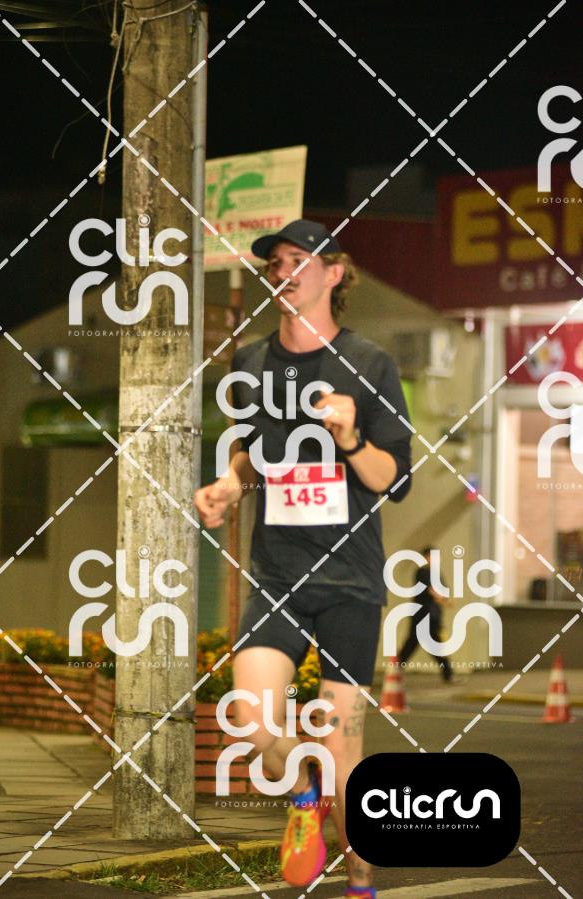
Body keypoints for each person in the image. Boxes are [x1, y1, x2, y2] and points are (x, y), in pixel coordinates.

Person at [194, 219, 413, 898]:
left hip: (349, 580)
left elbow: (394, 479)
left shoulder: (370, 362)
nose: (283, 272)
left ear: (333, 273)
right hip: (277, 575)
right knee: (252, 721)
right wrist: (228, 485)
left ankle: (360, 879)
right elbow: (249, 453)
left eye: (298, 259)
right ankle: (302, 789)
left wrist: (350, 440)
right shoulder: (250, 363)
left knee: (344, 746)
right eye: (274, 264)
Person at [398, 547, 453, 682]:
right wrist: (443, 599)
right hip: (422, 615)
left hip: (433, 615)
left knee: (429, 644)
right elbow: (432, 591)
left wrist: (445, 599)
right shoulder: (422, 572)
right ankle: (448, 674)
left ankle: (448, 674)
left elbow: (443, 591)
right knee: (414, 644)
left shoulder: (437, 574)